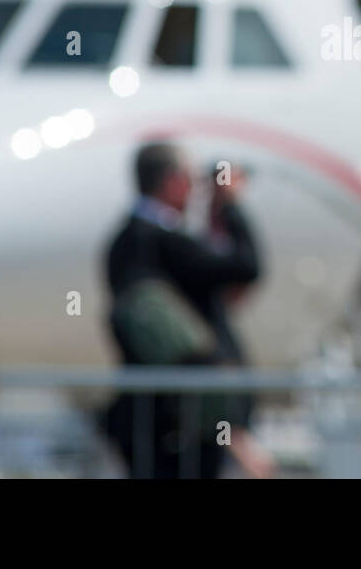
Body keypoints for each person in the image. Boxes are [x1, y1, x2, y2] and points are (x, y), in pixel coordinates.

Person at [102, 142, 274, 478]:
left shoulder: (126, 243)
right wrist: (231, 205)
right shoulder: (163, 242)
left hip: (158, 422)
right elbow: (246, 265)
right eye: (191, 181)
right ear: (173, 182)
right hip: (186, 425)